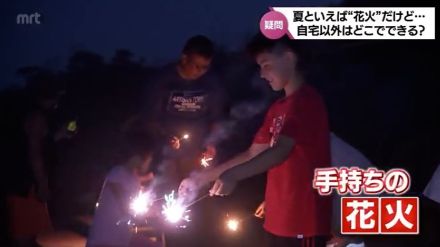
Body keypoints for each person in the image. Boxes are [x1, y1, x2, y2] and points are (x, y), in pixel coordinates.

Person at [180, 33, 332, 247]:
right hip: (277, 220)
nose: (262, 73)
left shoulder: (306, 101)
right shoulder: (277, 109)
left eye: (266, 65)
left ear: (289, 58)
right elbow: (253, 153)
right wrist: (201, 179)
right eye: (260, 67)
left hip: (303, 222)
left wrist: (233, 175)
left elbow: (281, 150)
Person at [86, 143, 155, 247]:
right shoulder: (117, 172)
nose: (148, 164)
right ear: (136, 158)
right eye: (147, 160)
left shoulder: (134, 179)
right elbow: (123, 200)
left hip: (120, 237)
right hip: (104, 236)